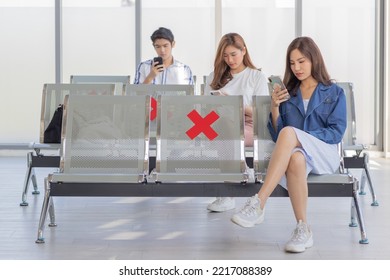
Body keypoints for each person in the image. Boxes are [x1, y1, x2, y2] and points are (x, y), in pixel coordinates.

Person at [231, 36, 347, 253]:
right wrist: (275, 107)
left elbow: (336, 132)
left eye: (301, 61)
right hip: (298, 154)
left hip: (325, 153)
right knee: (295, 157)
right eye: (292, 63)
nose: (297, 68)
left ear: (314, 59)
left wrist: (302, 137)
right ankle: (303, 229)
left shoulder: (334, 92)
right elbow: (279, 136)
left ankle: (259, 202)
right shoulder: (289, 93)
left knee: (291, 134)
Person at [204, 33, 269, 212]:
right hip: (215, 124)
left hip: (247, 125)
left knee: (226, 125)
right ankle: (239, 168)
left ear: (244, 51)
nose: (230, 60)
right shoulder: (214, 77)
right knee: (222, 123)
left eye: (233, 54)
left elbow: (262, 114)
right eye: (225, 56)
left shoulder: (256, 77)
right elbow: (204, 107)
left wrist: (235, 104)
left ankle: (226, 194)